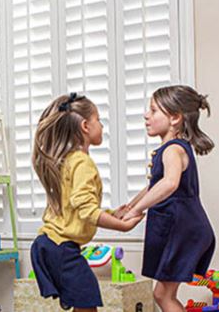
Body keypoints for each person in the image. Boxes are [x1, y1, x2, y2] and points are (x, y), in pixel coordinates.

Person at [30, 93, 145, 312]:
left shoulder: (68, 160)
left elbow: (74, 206)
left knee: (84, 302)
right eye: (98, 120)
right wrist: (122, 226)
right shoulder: (82, 162)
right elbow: (85, 210)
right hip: (60, 247)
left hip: (49, 245)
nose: (102, 125)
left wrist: (112, 213)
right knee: (87, 302)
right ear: (85, 126)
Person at [118, 85, 216, 312]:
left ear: (174, 118)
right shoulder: (173, 148)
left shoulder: (173, 149)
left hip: (182, 229)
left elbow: (169, 183)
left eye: (153, 111)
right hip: (183, 227)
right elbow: (155, 185)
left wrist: (136, 211)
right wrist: (130, 206)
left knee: (163, 295)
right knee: (163, 294)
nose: (146, 115)